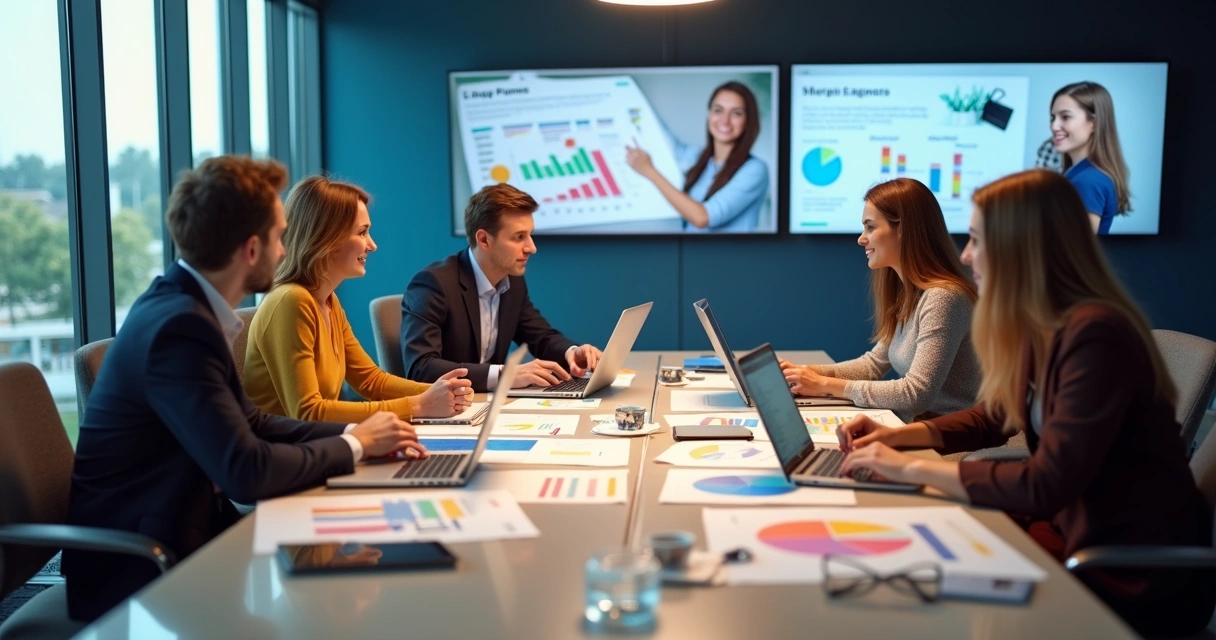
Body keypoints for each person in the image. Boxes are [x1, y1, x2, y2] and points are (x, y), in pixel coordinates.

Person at [837, 169, 1215, 637]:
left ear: (1024, 245)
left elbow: (1047, 482)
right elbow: (993, 418)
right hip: (1065, 531)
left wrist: (910, 468)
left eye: (977, 239)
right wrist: (898, 437)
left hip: (1124, 572)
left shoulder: (1097, 337)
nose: (966, 254)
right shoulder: (1048, 327)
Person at [63, 157, 427, 623]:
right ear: (252, 249)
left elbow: (253, 423)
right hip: (141, 569)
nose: (286, 249)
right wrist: (355, 445)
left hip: (188, 528)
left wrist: (367, 440)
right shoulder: (180, 327)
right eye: (279, 235)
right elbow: (245, 472)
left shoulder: (185, 309)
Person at [243, 176, 473, 422]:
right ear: (326, 237)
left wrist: (440, 392)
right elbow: (308, 413)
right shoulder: (291, 302)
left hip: (313, 445)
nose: (372, 245)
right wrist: (418, 405)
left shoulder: (327, 300)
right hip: (281, 452)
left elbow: (370, 380)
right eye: (362, 232)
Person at [780, 178, 981, 422]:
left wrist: (823, 383)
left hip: (948, 439)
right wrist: (805, 373)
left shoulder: (944, 298)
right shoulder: (910, 293)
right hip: (918, 426)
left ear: (904, 230)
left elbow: (915, 394)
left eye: (870, 227)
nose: (861, 239)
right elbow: (874, 364)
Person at [401, 183, 601, 392]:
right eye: (519, 237)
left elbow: (540, 337)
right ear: (484, 239)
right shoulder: (433, 284)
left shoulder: (511, 280)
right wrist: (504, 375)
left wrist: (571, 352)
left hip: (489, 406)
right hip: (447, 410)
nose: (531, 247)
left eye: (530, 235)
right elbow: (421, 368)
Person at [625, 81, 769, 233]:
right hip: (691, 253)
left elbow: (703, 218)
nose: (725, 120)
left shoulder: (755, 170)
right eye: (718, 110)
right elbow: (659, 133)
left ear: (748, 121)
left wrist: (649, 171)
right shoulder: (696, 157)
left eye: (736, 113)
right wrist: (629, 91)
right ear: (709, 115)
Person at [1050, 81, 1131, 235]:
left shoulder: (1088, 181)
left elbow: (1076, 253)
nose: (1054, 126)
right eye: (1053, 118)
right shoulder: (1081, 174)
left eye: (1065, 117)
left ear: (1094, 124)